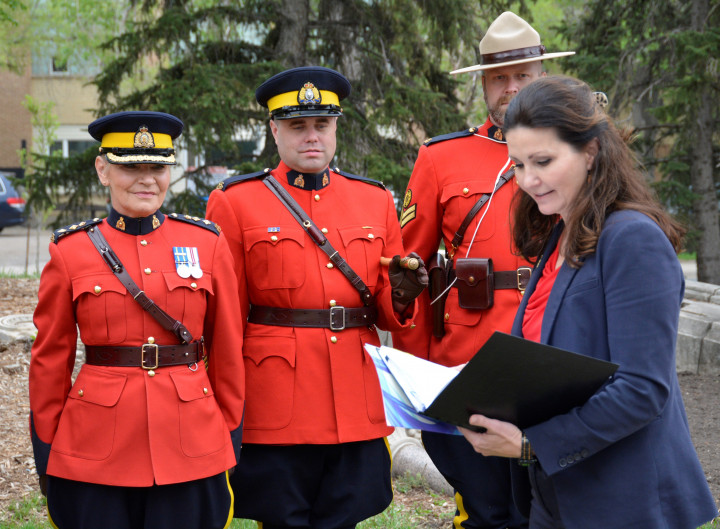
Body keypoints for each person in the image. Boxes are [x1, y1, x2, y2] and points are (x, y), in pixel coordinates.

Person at [459, 76, 719, 529]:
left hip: (623, 501)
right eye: (517, 164)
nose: (529, 180)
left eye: (543, 161)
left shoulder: (632, 238)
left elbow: (642, 390)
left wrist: (529, 444)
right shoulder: (561, 232)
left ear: (591, 152)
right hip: (554, 495)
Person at [205, 65, 428, 529]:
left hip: (353, 395)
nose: (312, 136)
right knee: (282, 516)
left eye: (321, 125)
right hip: (276, 399)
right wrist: (224, 402)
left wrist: (404, 295)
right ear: (274, 130)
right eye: (297, 126)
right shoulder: (235, 201)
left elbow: (385, 308)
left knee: (346, 513)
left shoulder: (374, 200)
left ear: (335, 127)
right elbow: (226, 318)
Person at [391, 11, 574, 529]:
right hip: (471, 361)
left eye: (523, 75)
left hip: (559, 353)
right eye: (498, 77)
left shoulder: (581, 149)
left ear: (544, 76)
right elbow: (409, 274)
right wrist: (418, 377)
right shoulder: (442, 158)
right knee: (487, 512)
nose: (510, 89)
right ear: (483, 83)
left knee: (561, 508)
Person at [29, 111, 246, 529]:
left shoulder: (207, 243)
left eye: (158, 167)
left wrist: (228, 435)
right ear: (103, 169)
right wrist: (48, 449)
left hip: (191, 437)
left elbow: (227, 350)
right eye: (131, 166)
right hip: (96, 444)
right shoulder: (71, 251)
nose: (147, 179)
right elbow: (49, 362)